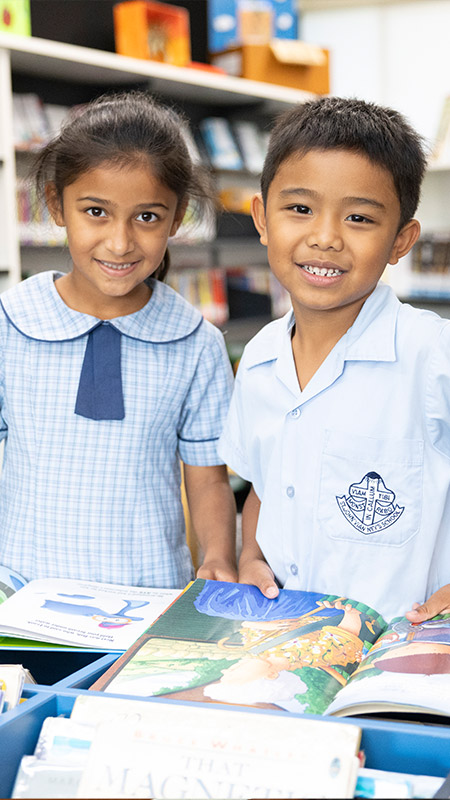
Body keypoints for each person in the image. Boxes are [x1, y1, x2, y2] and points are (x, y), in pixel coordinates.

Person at [217, 95, 450, 623]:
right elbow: (264, 484)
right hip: (285, 639)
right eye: (300, 209)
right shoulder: (257, 360)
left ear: (401, 240)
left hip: (399, 656)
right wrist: (251, 554)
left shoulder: (432, 355)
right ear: (261, 217)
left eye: (360, 218)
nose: (324, 238)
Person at [0, 91, 237, 589]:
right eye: (96, 212)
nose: (120, 241)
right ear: (55, 205)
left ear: (177, 218)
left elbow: (209, 477)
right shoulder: (9, 322)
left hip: (147, 601)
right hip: (21, 598)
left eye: (147, 217)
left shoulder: (197, 344)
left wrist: (217, 557)